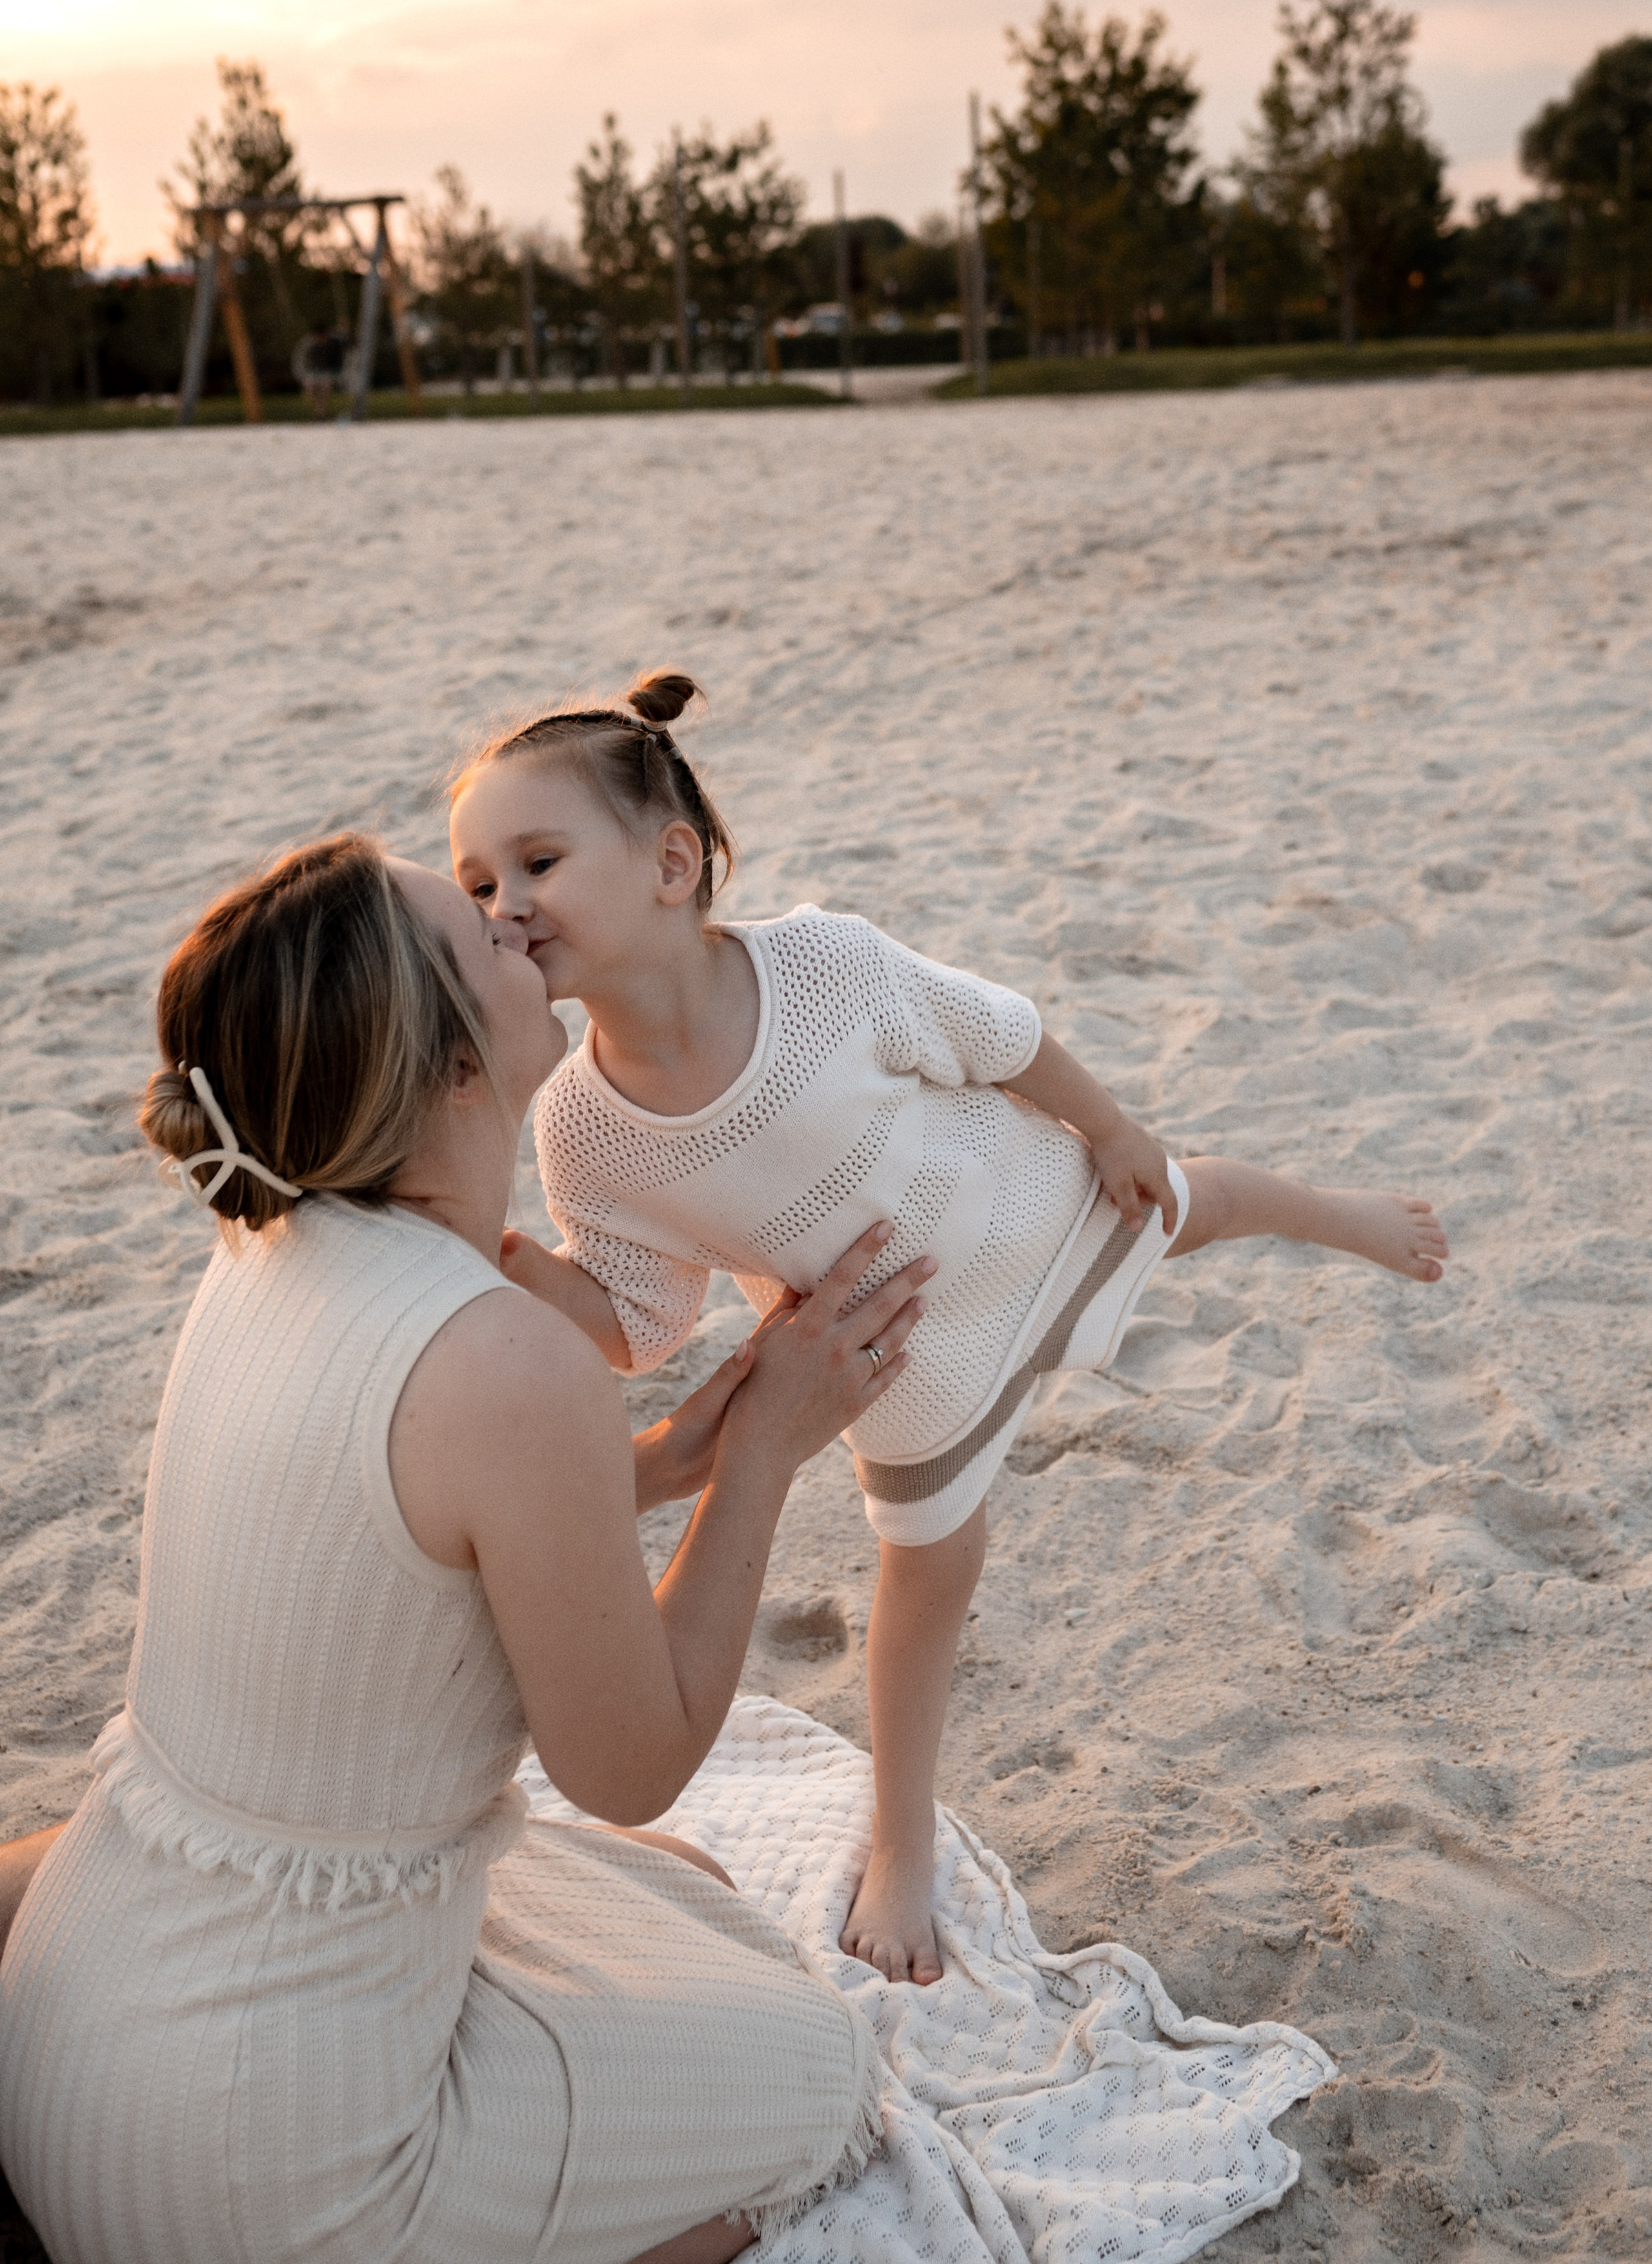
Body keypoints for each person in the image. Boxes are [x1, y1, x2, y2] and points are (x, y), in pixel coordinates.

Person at [0, 834, 934, 2264]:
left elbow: (389, 1529)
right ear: (444, 1070)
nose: (517, 927)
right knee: (822, 2080)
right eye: (479, 935)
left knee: (685, 1886)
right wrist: (757, 1459)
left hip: (81, 2033)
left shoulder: (266, 1247)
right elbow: (628, 1764)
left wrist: (665, 1460)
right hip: (264, 2175)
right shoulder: (504, 1353)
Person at [448, 670, 1450, 1989]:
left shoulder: (822, 963)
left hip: (1022, 1205)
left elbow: (997, 1036)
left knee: (1194, 1199)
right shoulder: (581, 1127)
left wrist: (1102, 1124)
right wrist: (504, 1254)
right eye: (473, 885)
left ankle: (1340, 1212)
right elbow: (636, 1321)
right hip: (904, 1355)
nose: (503, 906)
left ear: (670, 862)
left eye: (536, 861)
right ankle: (901, 1837)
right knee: (922, 1585)